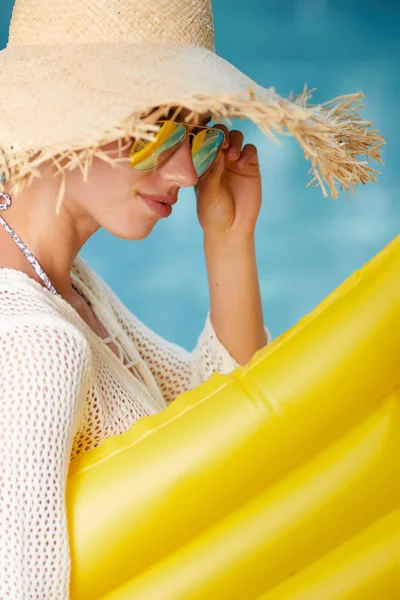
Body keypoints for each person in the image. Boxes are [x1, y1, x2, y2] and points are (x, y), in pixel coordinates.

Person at [0, 0, 383, 597]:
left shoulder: (69, 285)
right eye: (160, 131)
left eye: (199, 136)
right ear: (66, 118)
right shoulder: (36, 342)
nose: (184, 172)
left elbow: (215, 419)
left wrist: (229, 241)